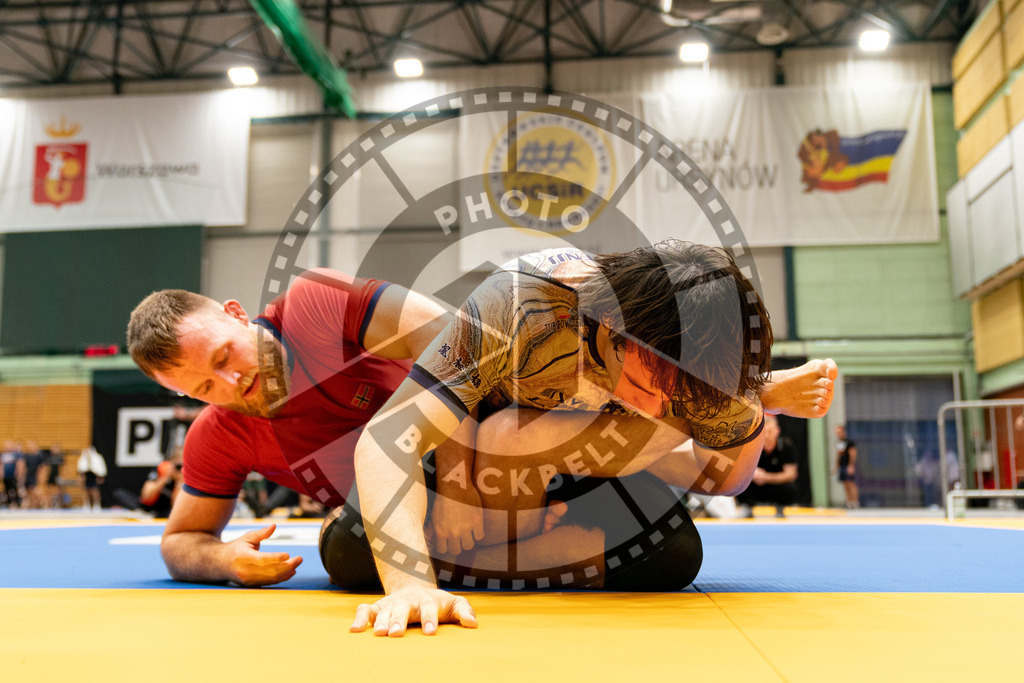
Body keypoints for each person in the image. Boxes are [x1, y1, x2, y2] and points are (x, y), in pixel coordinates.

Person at [125, 252, 835, 625]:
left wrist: (462, 468)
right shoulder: (220, 435)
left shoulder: (316, 304)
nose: (228, 385)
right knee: (346, 551)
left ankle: (515, 531)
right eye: (200, 389)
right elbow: (180, 537)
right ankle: (534, 542)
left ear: (235, 314)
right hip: (424, 490)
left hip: (490, 434)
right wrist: (217, 560)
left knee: (673, 549)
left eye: (224, 358)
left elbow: (459, 349)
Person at [347, 242, 836, 636]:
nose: (652, 408)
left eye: (673, 403)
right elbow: (391, 435)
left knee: (673, 556)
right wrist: (410, 582)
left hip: (580, 462)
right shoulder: (522, 304)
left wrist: (735, 405)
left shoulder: (703, 372)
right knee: (349, 551)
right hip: (475, 445)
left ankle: (474, 564)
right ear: (613, 329)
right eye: (646, 388)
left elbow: (722, 480)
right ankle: (482, 552)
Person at [734, 415, 798, 518]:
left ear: (777, 431)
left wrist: (766, 477)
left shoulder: (786, 446)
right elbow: (739, 469)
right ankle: (747, 507)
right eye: (764, 432)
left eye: (770, 431)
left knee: (791, 488)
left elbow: (791, 474)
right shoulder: (751, 446)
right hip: (755, 486)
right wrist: (752, 474)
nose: (767, 436)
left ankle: (780, 508)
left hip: (775, 486)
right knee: (739, 484)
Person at [833, 424, 859, 509]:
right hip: (842, 466)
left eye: (839, 432)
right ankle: (849, 502)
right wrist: (836, 467)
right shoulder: (839, 443)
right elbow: (839, 455)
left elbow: (853, 454)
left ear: (843, 432)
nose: (838, 434)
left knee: (851, 484)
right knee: (845, 484)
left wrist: (851, 465)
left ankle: (855, 501)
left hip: (847, 466)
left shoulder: (849, 442)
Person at [77, 445, 107, 510]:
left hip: (94, 475)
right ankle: (86, 504)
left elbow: (100, 467)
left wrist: (100, 476)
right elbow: (80, 468)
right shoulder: (83, 458)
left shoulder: (97, 458)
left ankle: (96, 504)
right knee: (85, 490)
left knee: (95, 490)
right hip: (86, 475)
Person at [1, 440, 23, 509]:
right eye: (6, 445)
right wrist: (1, 474)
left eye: (8, 445)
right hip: (6, 476)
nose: (7, 446)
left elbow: (19, 464)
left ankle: (18, 503)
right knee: (6, 490)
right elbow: (1, 465)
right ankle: (8, 503)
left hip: (13, 476)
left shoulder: (15, 454)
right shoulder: (3, 454)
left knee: (14, 489)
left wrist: (19, 474)